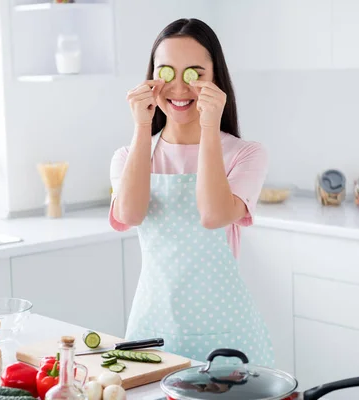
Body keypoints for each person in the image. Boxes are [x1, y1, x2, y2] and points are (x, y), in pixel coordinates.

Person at [108, 18, 274, 366]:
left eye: (195, 74)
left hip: (227, 335)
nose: (180, 88)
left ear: (215, 78)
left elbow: (213, 215)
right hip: (152, 329)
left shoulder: (246, 154)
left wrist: (209, 126)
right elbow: (130, 214)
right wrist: (141, 126)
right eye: (166, 72)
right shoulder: (128, 157)